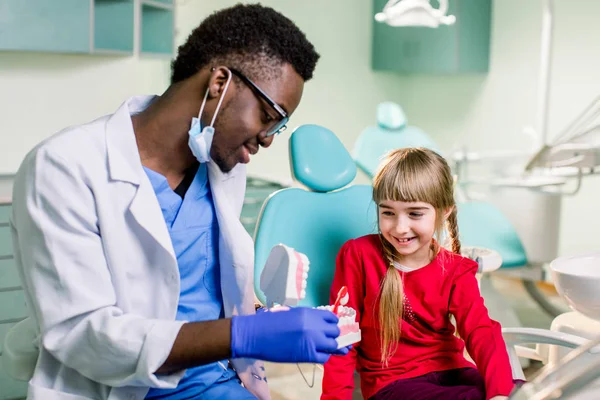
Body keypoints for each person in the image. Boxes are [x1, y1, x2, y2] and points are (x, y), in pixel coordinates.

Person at [9, 4, 347, 400]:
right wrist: (243, 335)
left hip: (220, 383)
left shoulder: (222, 165)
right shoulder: (65, 167)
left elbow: (202, 288)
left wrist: (263, 318)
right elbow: (84, 335)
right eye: (269, 116)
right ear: (220, 82)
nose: (270, 138)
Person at [321, 148, 519, 400]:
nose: (400, 227)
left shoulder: (456, 270)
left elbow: (481, 331)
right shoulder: (358, 255)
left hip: (452, 369)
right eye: (388, 212)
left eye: (415, 213)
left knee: (522, 392)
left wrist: (500, 393)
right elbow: (341, 336)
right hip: (391, 383)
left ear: (444, 211)